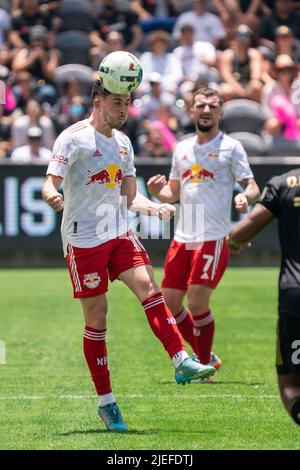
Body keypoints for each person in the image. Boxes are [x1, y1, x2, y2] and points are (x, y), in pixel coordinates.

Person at [42, 79, 215, 433]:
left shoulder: (123, 144)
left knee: (149, 287)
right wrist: (50, 195)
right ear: (98, 101)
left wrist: (154, 208)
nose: (124, 110)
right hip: (83, 239)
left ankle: (181, 359)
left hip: (118, 230)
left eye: (127, 103)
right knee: (97, 318)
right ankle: (107, 403)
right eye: (117, 102)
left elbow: (129, 196)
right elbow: (50, 181)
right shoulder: (72, 138)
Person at [147, 87, 260, 379]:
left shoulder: (231, 147)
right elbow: (173, 192)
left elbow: (252, 185)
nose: (206, 110)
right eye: (201, 105)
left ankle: (205, 365)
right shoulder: (182, 148)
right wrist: (158, 192)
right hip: (183, 236)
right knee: (170, 304)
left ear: (221, 113)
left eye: (212, 106)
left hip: (213, 236)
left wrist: (245, 197)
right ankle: (206, 357)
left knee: (197, 302)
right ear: (192, 111)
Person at [227, 169, 300, 426]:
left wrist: (233, 240)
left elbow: (243, 231)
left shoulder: (284, 183)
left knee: (291, 383)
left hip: (294, 294)